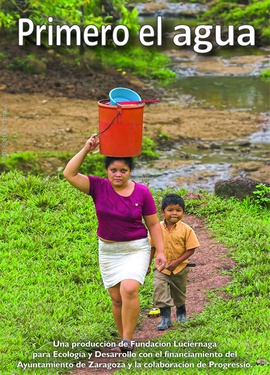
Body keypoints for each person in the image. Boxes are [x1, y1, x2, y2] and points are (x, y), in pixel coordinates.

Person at [63, 135, 166, 352]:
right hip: (109, 251)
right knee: (116, 298)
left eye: (123, 170)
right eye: (113, 170)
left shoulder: (142, 192)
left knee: (129, 289)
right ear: (107, 170)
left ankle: (127, 340)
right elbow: (69, 173)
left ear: (130, 172)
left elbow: (154, 225)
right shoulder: (98, 186)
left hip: (136, 248)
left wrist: (160, 251)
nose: (117, 174)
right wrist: (85, 149)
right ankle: (123, 339)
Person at [149, 193, 200, 330]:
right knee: (159, 289)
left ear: (183, 212)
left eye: (178, 210)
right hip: (161, 268)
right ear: (162, 212)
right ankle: (165, 319)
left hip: (180, 268)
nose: (174, 213)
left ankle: (181, 312)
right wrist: (147, 265)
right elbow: (152, 247)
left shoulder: (186, 230)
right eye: (170, 210)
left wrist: (177, 262)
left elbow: (191, 249)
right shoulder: (156, 228)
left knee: (179, 292)